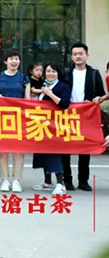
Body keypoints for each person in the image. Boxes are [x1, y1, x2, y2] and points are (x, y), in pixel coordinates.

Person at [62, 42, 104, 192]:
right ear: (71, 57)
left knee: (85, 148)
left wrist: (96, 99)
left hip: (87, 115)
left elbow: (100, 93)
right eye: (75, 54)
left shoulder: (94, 73)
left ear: (87, 55)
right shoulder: (66, 73)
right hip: (68, 115)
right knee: (65, 148)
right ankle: (67, 180)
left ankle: (83, 180)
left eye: (81, 54)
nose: (78, 56)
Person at [0, 49, 30, 193]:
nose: (14, 61)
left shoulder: (24, 78)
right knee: (2, 150)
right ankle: (5, 179)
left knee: (18, 150)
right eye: (11, 59)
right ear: (5, 61)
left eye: (16, 59)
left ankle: (16, 180)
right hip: (1, 118)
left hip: (19, 118)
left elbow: (27, 100)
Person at [33, 63, 70, 196]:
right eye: (48, 71)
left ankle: (60, 184)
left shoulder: (62, 86)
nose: (50, 74)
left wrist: (50, 94)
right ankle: (47, 181)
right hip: (42, 126)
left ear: (58, 73)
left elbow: (64, 104)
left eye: (53, 71)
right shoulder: (43, 85)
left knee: (54, 154)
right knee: (43, 153)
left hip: (55, 126)